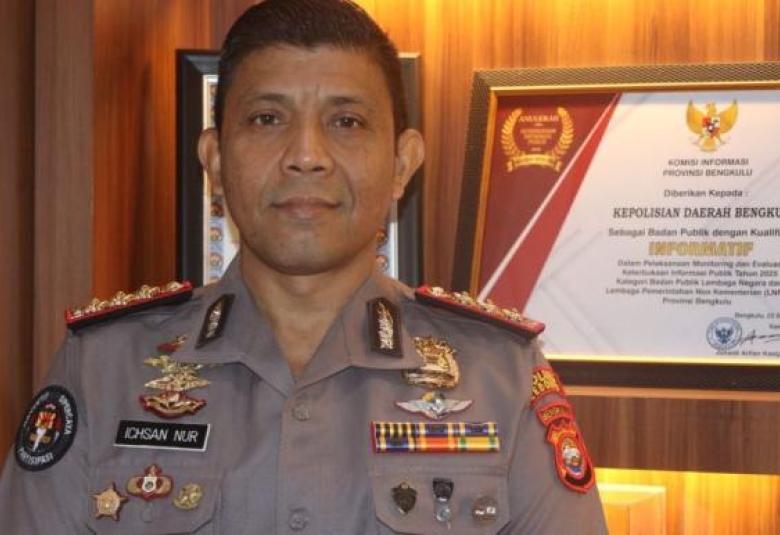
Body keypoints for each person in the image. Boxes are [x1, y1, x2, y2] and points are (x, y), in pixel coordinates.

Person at [0, 0, 607, 533]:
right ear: (215, 161)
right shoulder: (103, 368)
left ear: (401, 164)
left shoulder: (499, 375)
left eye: (347, 122)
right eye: (267, 119)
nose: (307, 155)